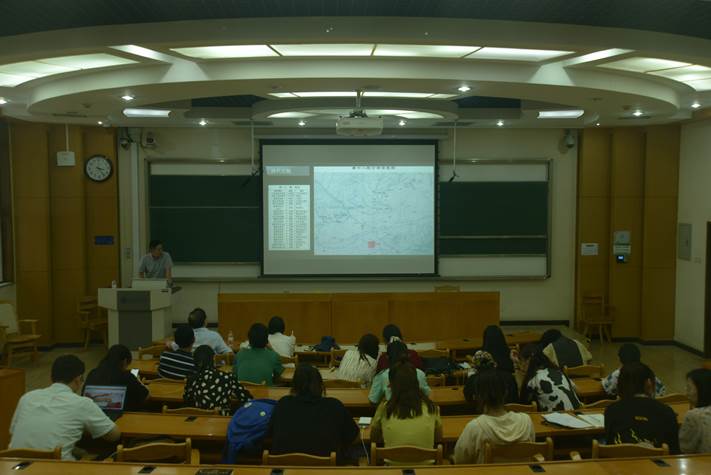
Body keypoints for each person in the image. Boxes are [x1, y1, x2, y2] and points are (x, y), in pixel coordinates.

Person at [9, 355, 121, 460]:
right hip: (55, 468)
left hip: (14, 466)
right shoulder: (82, 403)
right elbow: (114, 435)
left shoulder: (27, 397)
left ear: (51, 377)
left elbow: (13, 432)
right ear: (78, 379)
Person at [268, 363, 359, 464]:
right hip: (327, 469)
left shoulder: (283, 404)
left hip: (284, 468)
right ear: (320, 385)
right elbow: (353, 436)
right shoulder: (334, 406)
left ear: (294, 386)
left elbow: (270, 433)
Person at [454, 369, 535, 464]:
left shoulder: (475, 427)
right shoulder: (526, 421)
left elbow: (460, 460)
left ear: (478, 397)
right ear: (506, 393)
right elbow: (531, 450)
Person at [370, 362, 442, 464]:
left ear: (391, 385)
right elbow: (438, 438)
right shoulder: (432, 408)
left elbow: (374, 437)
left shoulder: (384, 408)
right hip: (426, 470)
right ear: (416, 383)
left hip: (392, 469)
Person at [605, 362, 680, 454]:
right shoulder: (666, 411)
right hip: (658, 462)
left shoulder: (611, 410)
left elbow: (610, 445)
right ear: (649, 383)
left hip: (620, 462)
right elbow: (674, 451)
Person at [184, 345, 252, 415]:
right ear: (213, 358)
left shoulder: (191, 379)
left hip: (199, 418)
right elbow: (246, 398)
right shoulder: (226, 377)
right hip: (223, 418)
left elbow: (187, 401)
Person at [85, 344, 148, 411]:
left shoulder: (92, 373)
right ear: (125, 361)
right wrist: (140, 382)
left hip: (93, 412)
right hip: (121, 415)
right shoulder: (127, 377)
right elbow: (146, 396)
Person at [519, 343, 581, 412]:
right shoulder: (558, 371)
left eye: (521, 362)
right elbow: (577, 390)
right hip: (578, 413)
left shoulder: (533, 379)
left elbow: (524, 405)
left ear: (528, 360)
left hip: (557, 416)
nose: (521, 367)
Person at [369, 340, 431, 404]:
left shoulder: (382, 375)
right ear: (408, 355)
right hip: (417, 408)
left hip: (393, 409)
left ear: (387, 357)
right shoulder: (420, 373)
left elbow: (373, 400)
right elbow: (427, 394)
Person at [602, 343, 666, 398]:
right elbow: (661, 391)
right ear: (639, 356)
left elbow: (605, 388)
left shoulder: (618, 373)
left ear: (620, 358)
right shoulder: (647, 370)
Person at [679, 368, 711, 453]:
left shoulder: (694, 416)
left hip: (702, 461)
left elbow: (685, 448)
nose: (686, 393)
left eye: (689, 388)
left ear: (702, 390)